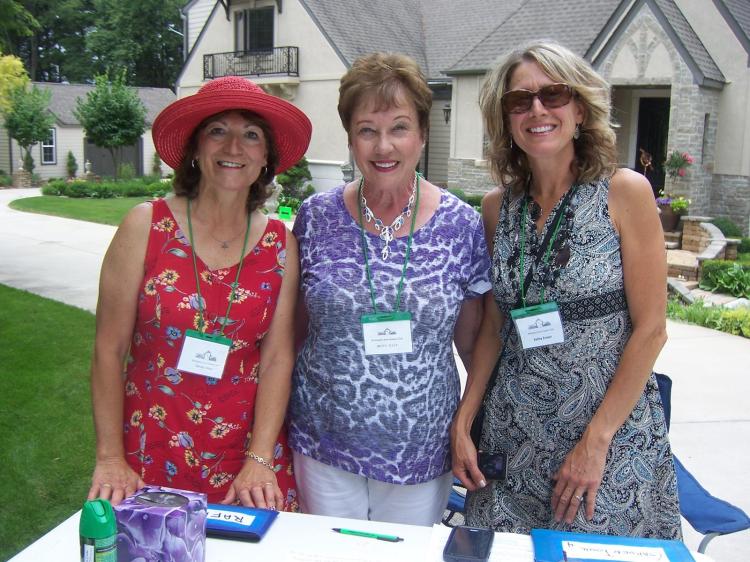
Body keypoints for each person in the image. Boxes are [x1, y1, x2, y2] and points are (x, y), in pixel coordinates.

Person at [450, 42, 682, 539]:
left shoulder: (625, 192)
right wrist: (465, 420)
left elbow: (651, 330)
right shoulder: (497, 208)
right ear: (506, 120)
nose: (537, 109)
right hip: (512, 436)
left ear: (580, 109)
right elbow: (495, 325)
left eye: (553, 94)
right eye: (520, 100)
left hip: (606, 438)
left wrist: (595, 442)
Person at [87, 76, 311, 510]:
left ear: (266, 157)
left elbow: (277, 358)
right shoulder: (145, 226)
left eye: (251, 135)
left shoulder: (280, 244)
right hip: (150, 450)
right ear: (195, 147)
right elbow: (108, 351)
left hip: (245, 463)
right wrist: (110, 457)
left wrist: (260, 458)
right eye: (217, 131)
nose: (234, 147)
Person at [289, 52, 492, 526]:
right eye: (367, 130)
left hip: (421, 447)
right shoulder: (315, 218)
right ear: (350, 139)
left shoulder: (461, 225)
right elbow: (293, 335)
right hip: (323, 441)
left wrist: (469, 423)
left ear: (422, 134)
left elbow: (473, 343)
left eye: (399, 127)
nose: (384, 146)